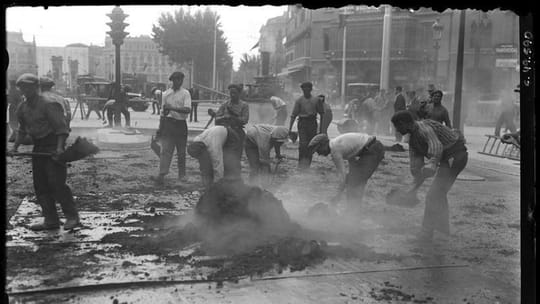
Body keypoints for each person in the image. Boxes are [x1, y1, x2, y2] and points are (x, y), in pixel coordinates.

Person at [7, 73, 80, 230]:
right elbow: (22, 130)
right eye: (22, 87)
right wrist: (15, 147)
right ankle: (51, 220)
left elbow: (62, 129)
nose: (25, 90)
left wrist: (60, 149)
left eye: (28, 86)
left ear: (36, 87)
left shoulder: (48, 104)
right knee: (40, 185)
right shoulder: (23, 107)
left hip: (53, 144)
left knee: (57, 184)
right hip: (38, 147)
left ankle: (72, 217)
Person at [391, 110, 468, 242]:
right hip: (446, 159)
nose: (397, 130)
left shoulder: (423, 129)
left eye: (397, 127)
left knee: (434, 195)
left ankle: (426, 233)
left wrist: (432, 164)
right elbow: (416, 165)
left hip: (456, 156)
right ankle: (442, 230)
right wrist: (413, 188)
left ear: (404, 123)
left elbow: (436, 147)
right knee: (438, 193)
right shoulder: (413, 139)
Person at [308, 132, 384, 214]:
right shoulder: (336, 143)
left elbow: (342, 177)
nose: (319, 154)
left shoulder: (335, 151)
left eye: (318, 150)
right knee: (354, 180)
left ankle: (353, 212)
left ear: (323, 144)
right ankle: (353, 210)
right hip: (374, 147)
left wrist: (337, 196)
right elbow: (352, 160)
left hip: (372, 150)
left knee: (354, 182)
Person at [151, 71, 192, 185]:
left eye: (181, 80)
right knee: (166, 150)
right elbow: (163, 113)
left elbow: (188, 110)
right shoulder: (166, 94)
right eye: (177, 79)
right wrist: (160, 129)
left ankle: (182, 175)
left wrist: (172, 108)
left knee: (181, 151)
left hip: (181, 124)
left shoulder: (185, 93)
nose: (179, 82)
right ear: (172, 80)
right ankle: (162, 174)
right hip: (168, 124)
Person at [215, 84, 249, 180]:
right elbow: (217, 118)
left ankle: (236, 179)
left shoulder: (244, 105)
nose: (232, 95)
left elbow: (245, 120)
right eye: (231, 93)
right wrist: (224, 117)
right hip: (226, 133)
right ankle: (226, 177)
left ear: (239, 93)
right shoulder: (225, 104)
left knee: (237, 157)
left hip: (238, 133)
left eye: (235, 93)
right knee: (225, 155)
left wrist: (233, 116)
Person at [288, 82, 325, 170]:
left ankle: (307, 165)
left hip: (312, 123)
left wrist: (321, 129)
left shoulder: (316, 100)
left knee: (311, 145)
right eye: (304, 89)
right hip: (302, 123)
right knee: (303, 144)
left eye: (308, 88)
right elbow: (293, 115)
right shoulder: (299, 101)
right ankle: (301, 164)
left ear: (311, 89)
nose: (306, 90)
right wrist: (289, 129)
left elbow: (322, 114)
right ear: (302, 90)